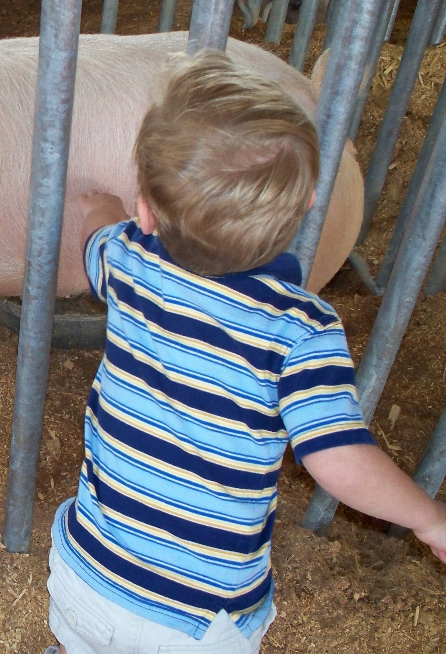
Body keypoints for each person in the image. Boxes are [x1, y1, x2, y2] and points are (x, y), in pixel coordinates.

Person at [46, 50, 446, 654]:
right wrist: (427, 517)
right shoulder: (302, 330)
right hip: (197, 623)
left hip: (87, 578)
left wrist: (102, 209)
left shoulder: (128, 261)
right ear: (308, 204)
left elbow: (94, 239)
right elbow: (338, 459)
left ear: (146, 211)